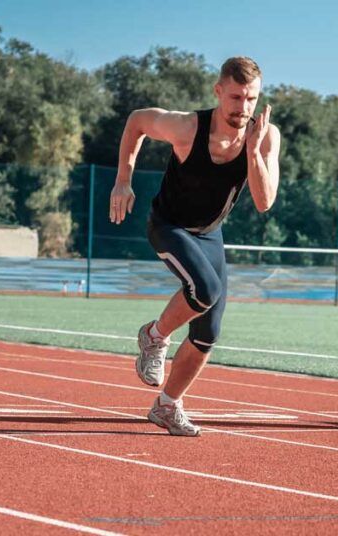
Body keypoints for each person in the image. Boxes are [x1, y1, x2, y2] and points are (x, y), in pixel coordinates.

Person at [109, 57, 280, 436]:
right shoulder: (187, 126)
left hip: (209, 232)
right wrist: (123, 179)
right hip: (168, 225)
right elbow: (137, 120)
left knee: (208, 332)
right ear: (218, 92)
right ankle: (154, 336)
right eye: (235, 97)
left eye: (251, 99)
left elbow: (265, 201)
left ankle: (167, 405)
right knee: (204, 289)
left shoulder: (266, 136)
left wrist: (252, 152)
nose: (243, 108)